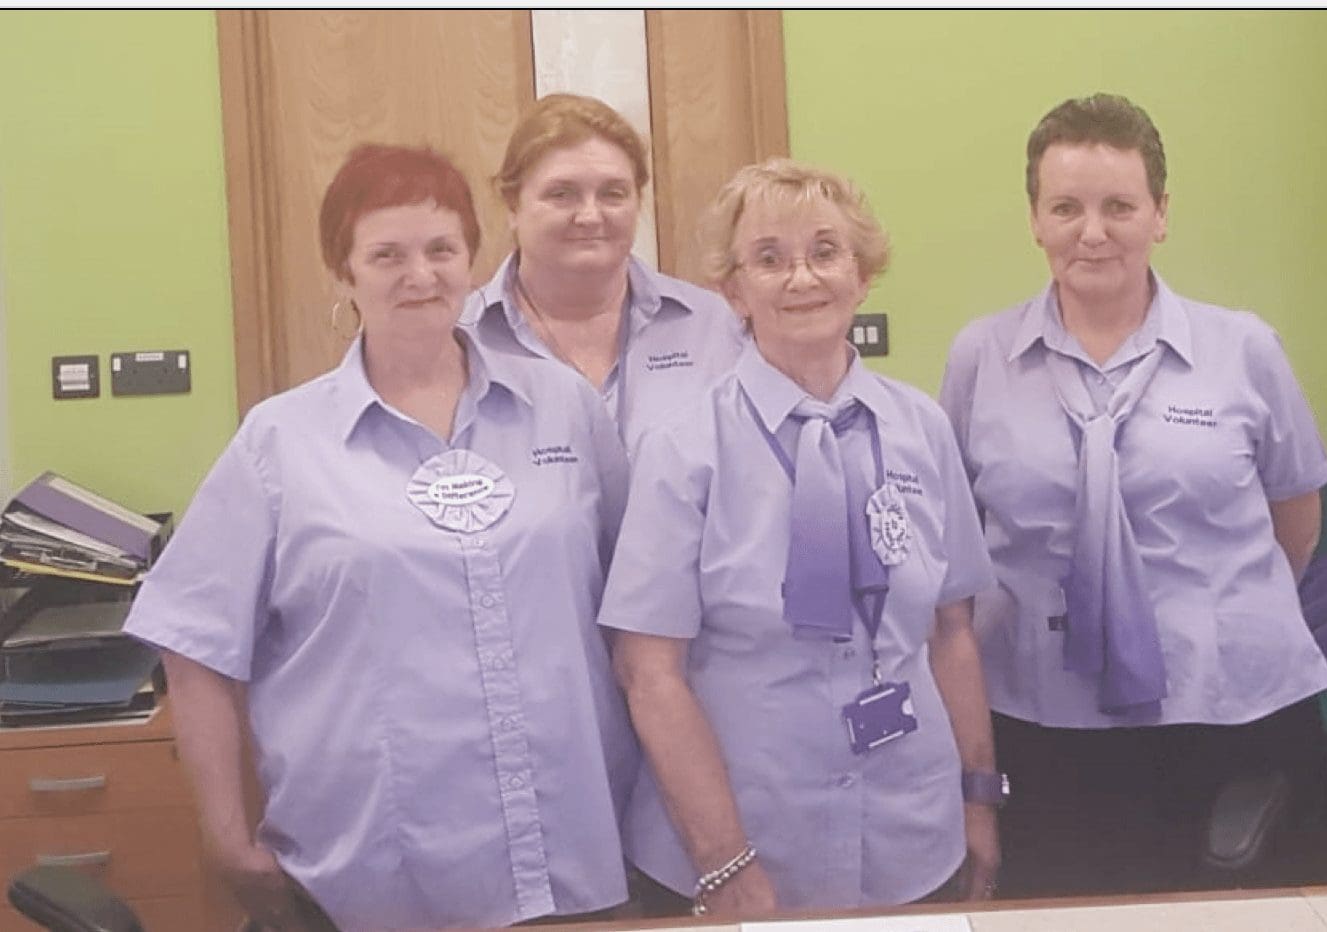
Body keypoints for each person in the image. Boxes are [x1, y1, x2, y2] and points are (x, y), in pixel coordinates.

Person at [123, 144, 635, 931]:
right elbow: (192, 642)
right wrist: (226, 838)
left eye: (441, 250)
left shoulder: (563, 407)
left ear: (472, 260)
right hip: (373, 874)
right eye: (386, 255)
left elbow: (635, 610)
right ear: (345, 272)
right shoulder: (281, 442)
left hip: (571, 854)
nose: (419, 275)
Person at [940, 93, 1327, 894]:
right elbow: (960, 540)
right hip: (1042, 721)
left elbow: (1296, 518)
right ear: (1035, 219)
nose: (1092, 232)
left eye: (1119, 206)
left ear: (1160, 214)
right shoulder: (981, 356)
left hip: (1232, 709)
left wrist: (1205, 613)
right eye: (1066, 208)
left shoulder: (1243, 349)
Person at [599, 158, 1003, 919]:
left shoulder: (920, 427)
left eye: (825, 251)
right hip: (750, 845)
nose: (802, 278)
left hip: (913, 838)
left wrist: (979, 797)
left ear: (862, 273)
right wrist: (724, 861)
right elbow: (648, 673)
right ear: (733, 290)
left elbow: (952, 630)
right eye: (769, 258)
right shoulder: (683, 448)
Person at [467, 92, 745, 450]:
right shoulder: (459, 339)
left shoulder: (715, 328)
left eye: (613, 194)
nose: (590, 216)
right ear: (512, 206)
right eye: (561, 194)